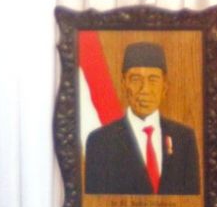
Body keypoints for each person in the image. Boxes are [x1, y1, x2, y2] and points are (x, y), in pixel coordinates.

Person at [85, 41, 200, 195]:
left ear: (164, 86)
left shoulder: (184, 138)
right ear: (124, 83)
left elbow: (192, 206)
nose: (144, 90)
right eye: (135, 79)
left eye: (153, 80)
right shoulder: (99, 142)